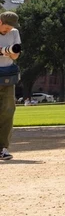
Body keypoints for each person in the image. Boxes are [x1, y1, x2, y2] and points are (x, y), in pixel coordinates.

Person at [0, 11, 21, 161]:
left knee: (8, 110)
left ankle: (3, 148)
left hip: (7, 76)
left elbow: (15, 55)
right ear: (0, 21)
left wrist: (4, 52)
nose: (9, 31)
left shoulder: (15, 32)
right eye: (7, 27)